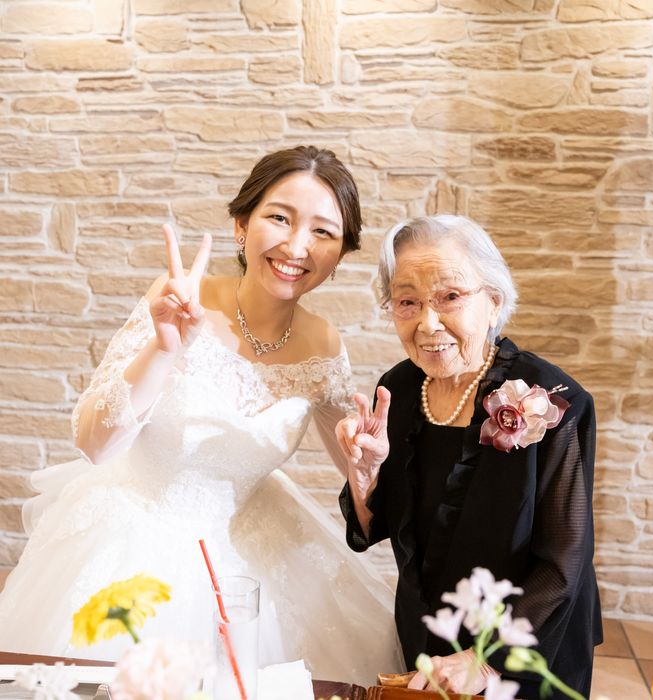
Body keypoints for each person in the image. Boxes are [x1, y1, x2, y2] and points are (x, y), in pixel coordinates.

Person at [0, 145, 404, 684]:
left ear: (339, 255)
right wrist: (164, 349)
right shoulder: (179, 301)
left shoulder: (324, 347)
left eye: (322, 232)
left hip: (258, 553)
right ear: (241, 225)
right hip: (135, 536)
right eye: (279, 218)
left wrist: (367, 466)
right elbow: (94, 444)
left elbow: (366, 504)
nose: (296, 246)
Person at [336, 215, 602, 699]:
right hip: (429, 629)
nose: (428, 323)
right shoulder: (398, 390)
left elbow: (564, 561)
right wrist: (365, 474)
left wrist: (484, 658)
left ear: (493, 301)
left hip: (527, 640)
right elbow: (371, 530)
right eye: (407, 302)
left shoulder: (551, 402)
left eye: (450, 296)